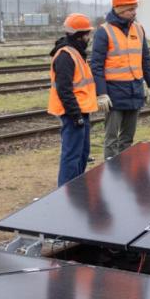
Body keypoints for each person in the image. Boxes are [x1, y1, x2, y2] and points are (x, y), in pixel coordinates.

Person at [91, 0, 150, 159]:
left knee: (127, 139)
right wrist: (102, 94)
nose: (134, 12)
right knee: (111, 140)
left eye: (135, 8)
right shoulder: (104, 32)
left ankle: (125, 172)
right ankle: (110, 175)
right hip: (114, 94)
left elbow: (145, 59)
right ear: (119, 9)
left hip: (135, 91)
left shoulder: (139, 29)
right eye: (130, 9)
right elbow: (96, 66)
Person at [48, 13, 98, 186]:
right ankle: (66, 194)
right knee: (71, 156)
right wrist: (75, 115)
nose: (89, 38)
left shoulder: (75, 52)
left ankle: (76, 189)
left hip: (81, 112)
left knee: (82, 154)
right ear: (79, 35)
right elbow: (65, 90)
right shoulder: (65, 56)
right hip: (72, 114)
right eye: (87, 35)